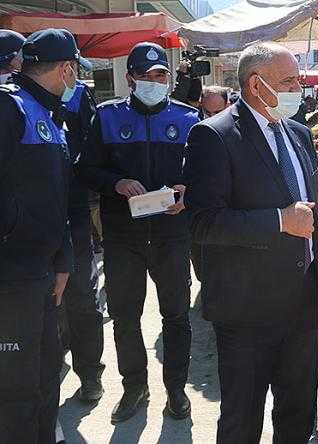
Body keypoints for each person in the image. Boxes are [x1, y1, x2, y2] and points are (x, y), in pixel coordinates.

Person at [184, 41, 318, 443]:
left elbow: (312, 211)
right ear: (256, 84)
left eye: (297, 80)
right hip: (247, 310)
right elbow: (202, 222)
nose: (297, 88)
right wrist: (278, 221)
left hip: (304, 304)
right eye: (288, 81)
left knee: (297, 414)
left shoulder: (300, 134)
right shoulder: (214, 136)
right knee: (241, 421)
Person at [76, 41, 198, 424]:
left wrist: (186, 194)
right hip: (122, 237)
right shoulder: (107, 117)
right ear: (129, 78)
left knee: (176, 316)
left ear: (169, 77)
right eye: (144, 76)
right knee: (125, 317)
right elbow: (85, 170)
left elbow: (203, 176)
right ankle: (134, 387)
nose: (153, 81)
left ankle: (176, 390)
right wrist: (116, 183)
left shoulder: (189, 118)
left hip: (171, 234)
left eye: (160, 75)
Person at [0, 28, 89, 443]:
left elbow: (59, 200)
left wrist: (62, 261)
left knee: (44, 373)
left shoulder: (52, 118)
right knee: (14, 389)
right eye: (76, 71)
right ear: (67, 68)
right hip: (11, 277)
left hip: (42, 275)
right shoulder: (8, 107)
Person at [60, 77, 106, 403]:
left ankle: (89, 374)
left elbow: (91, 148)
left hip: (72, 208)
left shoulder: (76, 95)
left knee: (82, 299)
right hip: (21, 226)